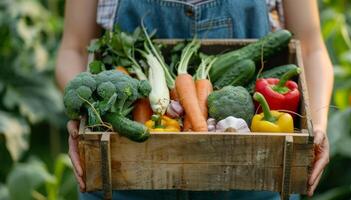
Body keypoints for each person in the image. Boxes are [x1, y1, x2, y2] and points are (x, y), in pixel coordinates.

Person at [56, 0, 333, 199]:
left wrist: (317, 125)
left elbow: (309, 46)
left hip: (255, 180)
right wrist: (83, 113)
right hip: (124, 180)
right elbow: (75, 47)